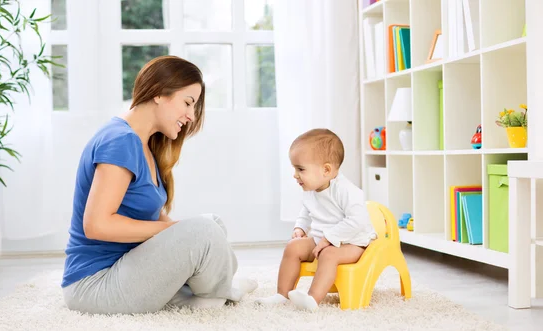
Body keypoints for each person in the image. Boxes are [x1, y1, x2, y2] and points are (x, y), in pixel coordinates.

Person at [62, 55, 256, 314]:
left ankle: (211, 290)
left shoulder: (143, 143)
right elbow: (97, 225)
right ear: (159, 93)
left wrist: (181, 230)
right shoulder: (121, 140)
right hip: (95, 284)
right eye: (188, 103)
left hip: (126, 267)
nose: (190, 115)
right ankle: (214, 296)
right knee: (204, 231)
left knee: (212, 224)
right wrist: (180, 230)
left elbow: (155, 218)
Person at [256, 129, 376, 311]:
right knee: (293, 247)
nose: (295, 175)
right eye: (295, 169)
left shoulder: (347, 191)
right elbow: (307, 210)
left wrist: (329, 238)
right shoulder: (312, 189)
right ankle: (282, 294)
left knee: (329, 254)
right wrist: (300, 228)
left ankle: (313, 299)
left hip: (352, 244)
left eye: (301, 169)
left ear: (326, 170)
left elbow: (357, 221)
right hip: (322, 240)